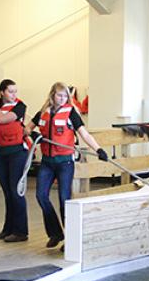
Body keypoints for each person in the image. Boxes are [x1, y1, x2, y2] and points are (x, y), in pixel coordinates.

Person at [26, 82, 108, 249]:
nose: (62, 99)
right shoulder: (43, 113)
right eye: (59, 95)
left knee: (65, 200)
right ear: (52, 95)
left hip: (65, 163)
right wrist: (33, 134)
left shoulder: (71, 113)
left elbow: (84, 133)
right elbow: (27, 129)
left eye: (65, 96)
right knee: (41, 196)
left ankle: (70, 239)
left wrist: (99, 149)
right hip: (47, 163)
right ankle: (55, 233)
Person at [0, 79, 29, 242]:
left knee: (16, 192)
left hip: (17, 153)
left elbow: (2, 119)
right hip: (1, 153)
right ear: (2, 92)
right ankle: (8, 228)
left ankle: (21, 231)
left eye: (15, 91)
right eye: (11, 91)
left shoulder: (20, 106)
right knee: (7, 192)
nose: (14, 95)